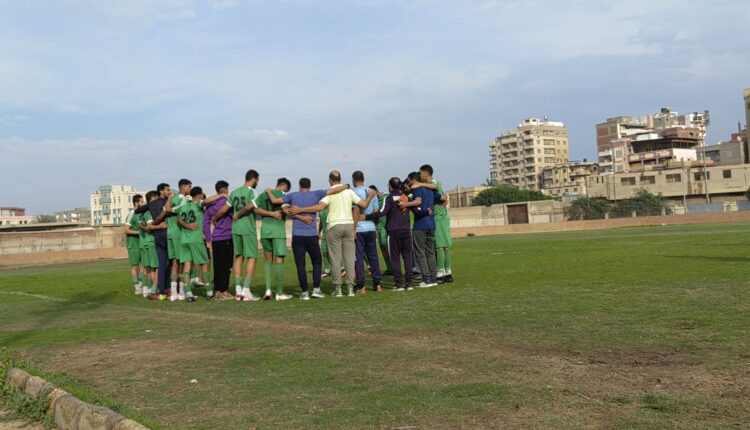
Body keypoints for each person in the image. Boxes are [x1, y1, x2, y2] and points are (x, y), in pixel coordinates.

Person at [289, 170, 376, 298]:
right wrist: (370, 196)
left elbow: (319, 207)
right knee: (349, 259)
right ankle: (350, 289)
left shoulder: (330, 193)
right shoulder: (349, 191)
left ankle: (338, 289)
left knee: (335, 259)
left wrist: (301, 209)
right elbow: (363, 204)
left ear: (330, 180)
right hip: (348, 225)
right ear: (340, 178)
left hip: (334, 226)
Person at [265, 178, 345, 300]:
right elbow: (334, 190)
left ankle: (304, 292)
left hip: (297, 236)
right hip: (311, 236)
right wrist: (346, 186)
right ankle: (316, 289)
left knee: (300, 265)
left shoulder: (292, 196)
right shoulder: (316, 194)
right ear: (310, 185)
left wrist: (268, 191)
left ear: (299, 185)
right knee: (317, 262)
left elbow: (274, 201)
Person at [212, 169, 261, 302]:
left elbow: (223, 210)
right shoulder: (253, 192)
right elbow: (250, 208)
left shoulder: (234, 192)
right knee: (252, 257)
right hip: (247, 228)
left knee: (238, 257)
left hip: (235, 229)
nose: (257, 182)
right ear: (254, 179)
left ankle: (238, 290)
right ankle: (246, 290)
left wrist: (215, 218)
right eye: (257, 180)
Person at [365, 177, 414, 291]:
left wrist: (366, 217)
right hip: (406, 230)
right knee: (407, 257)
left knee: (395, 258)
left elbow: (381, 213)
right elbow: (415, 208)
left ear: (390, 187)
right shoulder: (406, 197)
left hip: (393, 231)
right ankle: (410, 283)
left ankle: (398, 284)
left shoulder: (389, 198)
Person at [170, 187, 211, 302]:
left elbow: (178, 218)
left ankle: (188, 294)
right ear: (199, 195)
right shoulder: (198, 204)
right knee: (204, 264)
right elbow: (207, 201)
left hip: (185, 240)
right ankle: (209, 292)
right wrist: (222, 196)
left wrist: (186, 226)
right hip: (196, 239)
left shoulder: (183, 206)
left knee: (186, 267)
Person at [254, 178, 292, 301]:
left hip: (265, 231)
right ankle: (279, 292)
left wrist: (268, 214)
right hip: (278, 231)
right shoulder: (284, 195)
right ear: (284, 187)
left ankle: (268, 290)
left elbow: (255, 209)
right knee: (279, 260)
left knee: (267, 260)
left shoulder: (263, 194)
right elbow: (287, 210)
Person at [401, 172, 441, 288]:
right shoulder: (430, 189)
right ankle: (433, 279)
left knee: (420, 254)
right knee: (430, 253)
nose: (408, 183)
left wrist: (405, 204)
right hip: (431, 225)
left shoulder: (417, 188)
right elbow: (442, 198)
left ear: (414, 179)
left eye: (409, 180)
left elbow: (418, 201)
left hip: (420, 225)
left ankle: (427, 280)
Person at [417, 164, 453, 283]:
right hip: (443, 217)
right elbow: (444, 197)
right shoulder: (437, 183)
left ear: (426, 173)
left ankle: (441, 273)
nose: (419, 175)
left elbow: (436, 188)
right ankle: (448, 272)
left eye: (420, 173)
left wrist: (420, 184)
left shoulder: (433, 183)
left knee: (439, 246)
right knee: (445, 246)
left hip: (438, 217)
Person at [351, 171, 382, 294]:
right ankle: (377, 284)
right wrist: (375, 227)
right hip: (370, 227)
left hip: (358, 228)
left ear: (353, 179)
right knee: (373, 256)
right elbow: (375, 213)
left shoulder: (352, 192)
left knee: (358, 257)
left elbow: (354, 211)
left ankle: (361, 285)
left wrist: (353, 228)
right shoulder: (371, 192)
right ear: (364, 178)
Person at [162, 179, 192, 300]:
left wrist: (169, 198)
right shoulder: (183, 199)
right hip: (179, 233)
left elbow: (166, 209)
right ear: (183, 187)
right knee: (183, 262)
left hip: (169, 233)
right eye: (189, 186)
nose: (190, 189)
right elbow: (174, 211)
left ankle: (174, 293)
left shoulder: (172, 198)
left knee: (174, 262)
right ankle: (181, 291)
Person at [204, 180, 233, 300]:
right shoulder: (226, 202)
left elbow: (206, 223)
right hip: (227, 236)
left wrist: (208, 239)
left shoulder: (210, 205)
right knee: (227, 266)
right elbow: (233, 216)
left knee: (217, 266)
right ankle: (224, 291)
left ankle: (217, 290)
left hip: (216, 238)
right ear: (225, 189)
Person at [138, 191, 167, 299]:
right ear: (154, 198)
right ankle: (154, 289)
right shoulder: (150, 211)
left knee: (148, 268)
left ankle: (148, 288)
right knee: (157, 267)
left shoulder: (141, 213)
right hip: (151, 242)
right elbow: (150, 227)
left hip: (143, 243)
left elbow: (142, 225)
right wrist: (160, 226)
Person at [370, 185, 392, 276]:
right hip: (378, 226)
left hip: (386, 226)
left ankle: (393, 267)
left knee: (387, 246)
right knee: (382, 247)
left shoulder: (386, 197)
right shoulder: (373, 201)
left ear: (375, 191)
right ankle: (389, 268)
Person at [124, 194, 144, 295]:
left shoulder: (142, 213)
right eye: (142, 201)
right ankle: (137, 287)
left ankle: (140, 284)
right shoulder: (131, 214)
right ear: (136, 203)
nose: (143, 203)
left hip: (142, 243)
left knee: (144, 264)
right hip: (133, 244)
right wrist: (139, 233)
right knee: (135, 266)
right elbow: (126, 230)